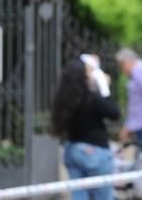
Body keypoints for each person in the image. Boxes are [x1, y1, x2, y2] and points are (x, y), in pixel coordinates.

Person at [51, 57, 120, 200]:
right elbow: (114, 112)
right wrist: (104, 88)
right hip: (93, 151)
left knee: (79, 196)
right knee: (103, 195)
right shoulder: (90, 99)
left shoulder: (64, 99)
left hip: (72, 150)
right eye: (89, 72)